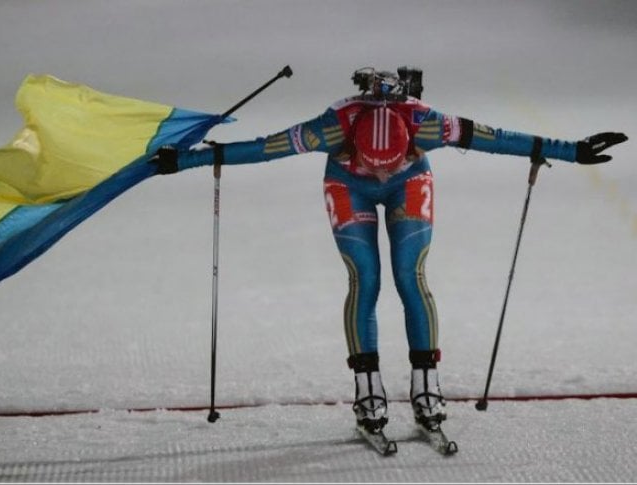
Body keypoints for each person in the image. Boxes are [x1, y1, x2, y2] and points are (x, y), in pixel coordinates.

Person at [151, 67, 627, 434]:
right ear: (352, 143)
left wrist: (573, 151)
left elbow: (496, 139)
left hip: (410, 182)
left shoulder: (426, 125)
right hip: (346, 183)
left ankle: (426, 385)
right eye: (373, 163)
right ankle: (368, 387)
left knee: (410, 275)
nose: (380, 170)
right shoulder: (331, 128)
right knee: (365, 278)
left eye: (388, 162)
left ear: (407, 143)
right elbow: (265, 148)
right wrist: (192, 159)